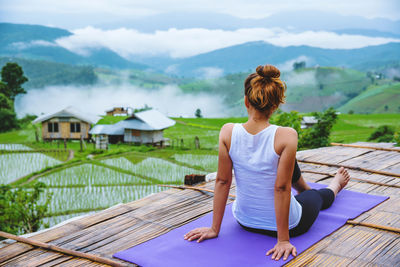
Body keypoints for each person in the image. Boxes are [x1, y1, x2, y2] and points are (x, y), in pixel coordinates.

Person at [183, 64, 350, 261]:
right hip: (292, 225)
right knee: (315, 195)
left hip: (244, 221)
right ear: (275, 106)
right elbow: (280, 188)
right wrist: (283, 240)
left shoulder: (227, 132)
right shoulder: (287, 135)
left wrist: (214, 228)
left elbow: (222, 181)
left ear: (246, 101)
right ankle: (334, 185)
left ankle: (302, 188)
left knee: (280, 158)